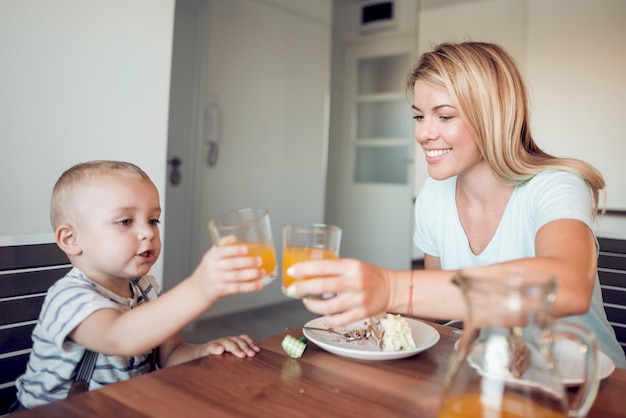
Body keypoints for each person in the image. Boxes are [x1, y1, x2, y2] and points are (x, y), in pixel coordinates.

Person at [285, 41, 626, 368]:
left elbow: (566, 288)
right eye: (419, 117)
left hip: (589, 386)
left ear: (493, 116)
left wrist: (389, 288)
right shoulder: (435, 195)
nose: (423, 133)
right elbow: (444, 310)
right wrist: (369, 324)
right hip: (491, 374)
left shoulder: (556, 185)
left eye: (444, 117)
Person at [15, 160, 267, 410]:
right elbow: (119, 337)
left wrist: (204, 350)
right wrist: (200, 288)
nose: (148, 232)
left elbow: (171, 354)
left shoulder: (145, 288)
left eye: (153, 220)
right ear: (71, 239)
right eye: (125, 221)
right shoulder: (68, 297)